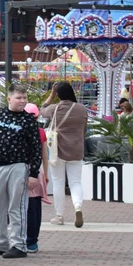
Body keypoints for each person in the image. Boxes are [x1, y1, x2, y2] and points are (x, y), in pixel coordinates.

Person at [0, 84, 42, 259]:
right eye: (18, 98)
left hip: (18, 166)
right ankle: (0, 242)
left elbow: (36, 149)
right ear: (9, 99)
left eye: (24, 98)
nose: (22, 101)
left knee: (17, 206)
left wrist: (33, 173)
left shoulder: (29, 121)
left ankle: (19, 244)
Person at [41, 82, 89, 228]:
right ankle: (78, 207)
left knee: (58, 183)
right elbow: (84, 130)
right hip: (76, 150)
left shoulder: (55, 109)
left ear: (59, 94)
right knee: (75, 182)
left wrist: (51, 95)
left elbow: (41, 109)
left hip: (57, 151)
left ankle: (59, 216)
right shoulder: (82, 109)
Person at [24, 103, 51, 253]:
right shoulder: (41, 132)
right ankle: (33, 240)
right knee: (35, 207)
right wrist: (46, 174)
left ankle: (24, 238)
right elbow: (45, 155)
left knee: (23, 207)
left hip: (22, 170)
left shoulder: (21, 130)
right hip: (38, 171)